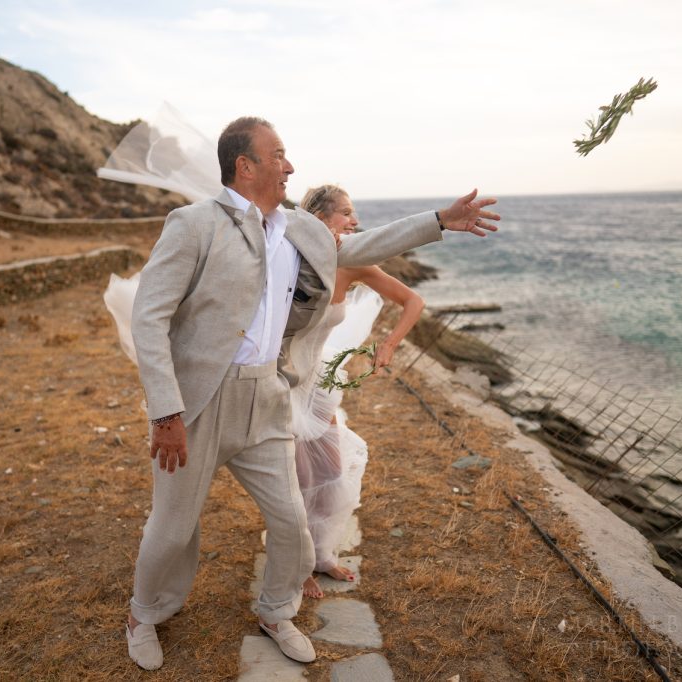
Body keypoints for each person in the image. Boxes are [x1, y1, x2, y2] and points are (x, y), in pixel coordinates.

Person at [123, 115, 499, 671]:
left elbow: (365, 244)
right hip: (198, 403)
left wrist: (440, 220)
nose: (290, 167)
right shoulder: (193, 224)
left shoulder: (300, 228)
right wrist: (166, 412)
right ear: (245, 165)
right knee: (173, 526)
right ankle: (143, 615)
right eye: (279, 156)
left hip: (268, 397)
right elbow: (148, 318)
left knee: (292, 522)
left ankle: (276, 611)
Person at [292, 184, 425, 599]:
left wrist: (387, 345)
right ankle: (297, 566)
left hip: (320, 378)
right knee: (293, 480)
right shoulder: (290, 258)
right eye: (346, 213)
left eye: (354, 214)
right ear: (320, 218)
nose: (355, 221)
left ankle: (322, 554)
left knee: (331, 470)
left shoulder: (354, 261)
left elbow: (413, 301)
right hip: (283, 378)